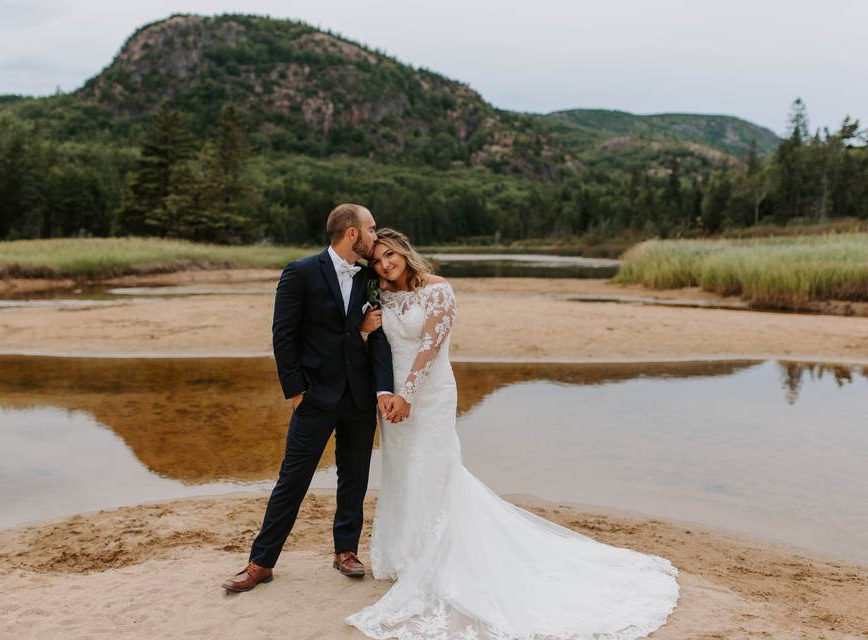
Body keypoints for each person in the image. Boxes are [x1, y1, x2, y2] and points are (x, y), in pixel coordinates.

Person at [346, 228, 680, 639]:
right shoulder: (379, 295)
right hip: (391, 399)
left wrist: (409, 394)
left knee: (432, 466)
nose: (385, 264)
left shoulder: (439, 290)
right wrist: (382, 381)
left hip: (428, 393)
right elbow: (378, 346)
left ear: (404, 252)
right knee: (400, 469)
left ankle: (436, 557)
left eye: (390, 255)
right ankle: (404, 555)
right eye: (377, 260)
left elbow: (431, 347)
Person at [221, 204, 402, 592]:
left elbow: (380, 338)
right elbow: (283, 335)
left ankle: (346, 552)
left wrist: (381, 387)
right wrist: (297, 391)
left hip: (358, 396)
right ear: (352, 233)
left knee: (354, 477)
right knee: (293, 479)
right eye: (371, 229)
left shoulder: (371, 275)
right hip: (315, 396)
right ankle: (261, 562)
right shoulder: (300, 272)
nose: (376, 235)